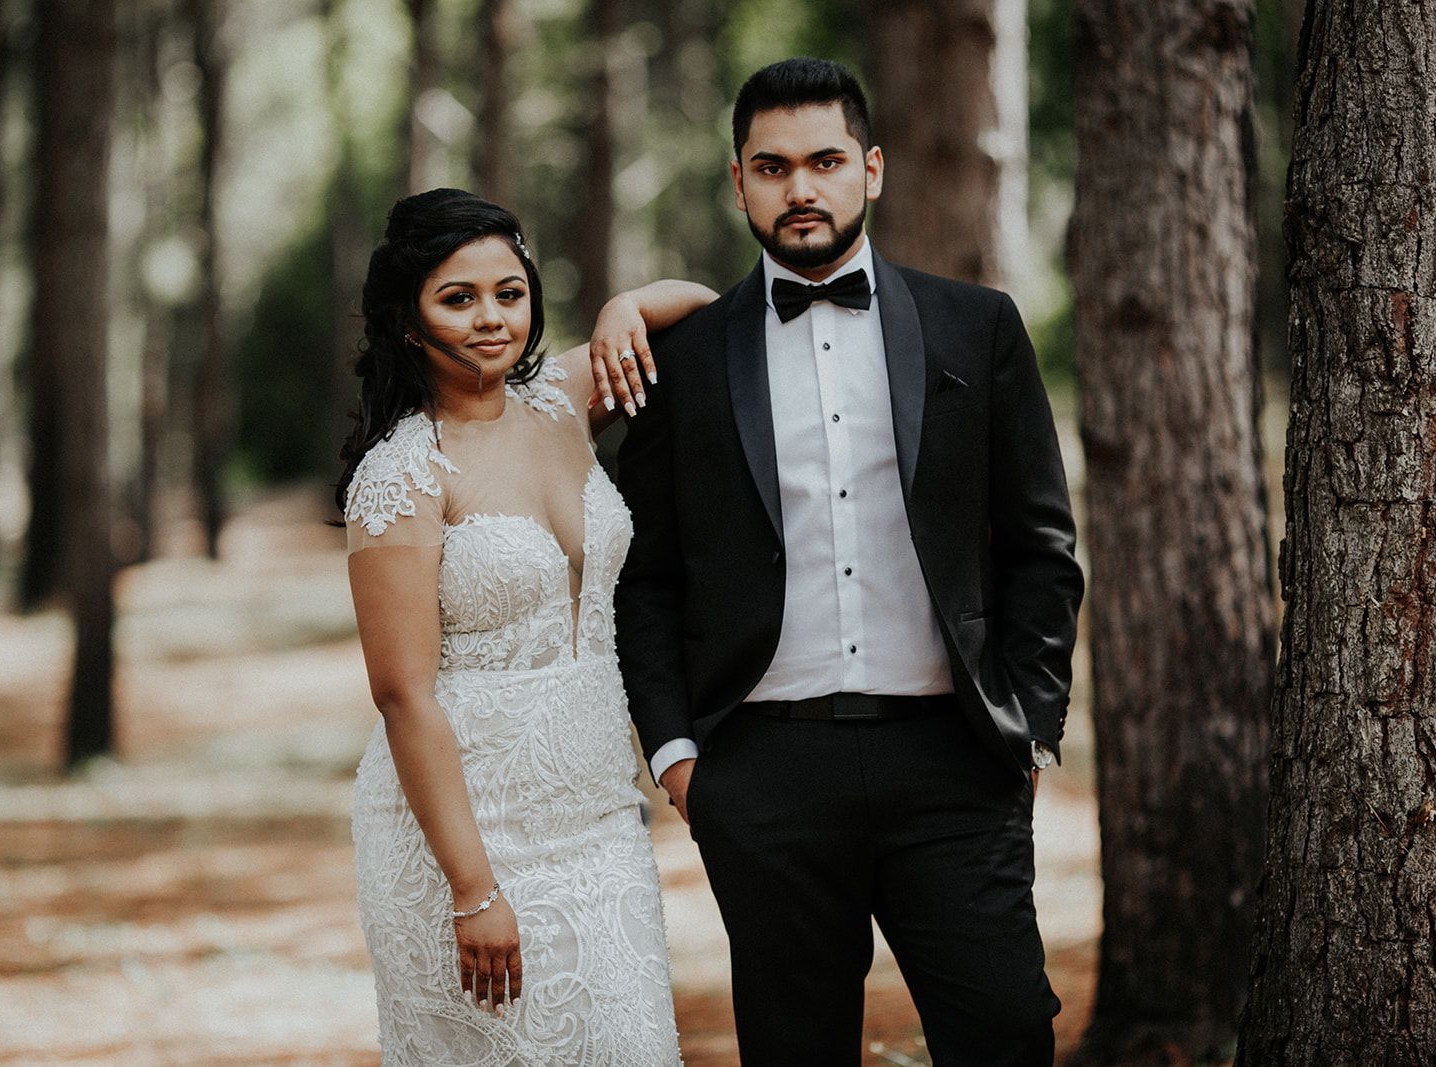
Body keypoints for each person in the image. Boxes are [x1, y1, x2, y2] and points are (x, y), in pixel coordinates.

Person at [615, 58, 1084, 1066]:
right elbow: (645, 578)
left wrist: (1028, 729)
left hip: (953, 760)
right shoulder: (684, 361)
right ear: (737, 181)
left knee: (1006, 1031)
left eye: (825, 160)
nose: (801, 189)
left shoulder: (978, 326)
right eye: (772, 166)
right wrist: (678, 758)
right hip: (762, 772)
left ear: (870, 169)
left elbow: (1040, 545)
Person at [337, 187, 713, 1066]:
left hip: (597, 817)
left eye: (509, 292)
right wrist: (473, 890)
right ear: (407, 321)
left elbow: (703, 307)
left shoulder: (561, 400)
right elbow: (403, 697)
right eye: (457, 298)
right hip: (464, 835)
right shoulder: (403, 475)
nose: (491, 318)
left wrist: (623, 308)